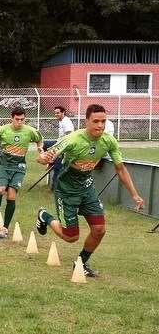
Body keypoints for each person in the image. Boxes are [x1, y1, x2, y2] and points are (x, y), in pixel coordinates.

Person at [36, 104, 144, 278]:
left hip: (87, 189)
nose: (100, 125)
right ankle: (44, 216)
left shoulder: (108, 141)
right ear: (86, 121)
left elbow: (121, 169)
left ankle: (81, 263)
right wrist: (43, 157)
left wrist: (134, 194)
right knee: (71, 237)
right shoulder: (73, 139)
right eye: (96, 121)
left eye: (103, 121)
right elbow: (44, 157)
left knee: (99, 229)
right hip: (66, 191)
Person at [0, 106, 43, 239]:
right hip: (4, 165)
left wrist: (40, 147)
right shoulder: (3, 129)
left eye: (22, 119)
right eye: (17, 119)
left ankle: (5, 228)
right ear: (11, 118)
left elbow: (39, 138)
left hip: (19, 167)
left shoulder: (30, 131)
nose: (19, 122)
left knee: (11, 196)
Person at [44, 106, 75, 190]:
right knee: (43, 144)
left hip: (63, 146)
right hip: (59, 144)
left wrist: (60, 148)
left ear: (63, 112)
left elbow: (69, 135)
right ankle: (50, 160)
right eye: (55, 113)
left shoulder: (66, 121)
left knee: (58, 167)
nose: (56, 114)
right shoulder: (61, 121)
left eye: (58, 113)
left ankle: (55, 188)